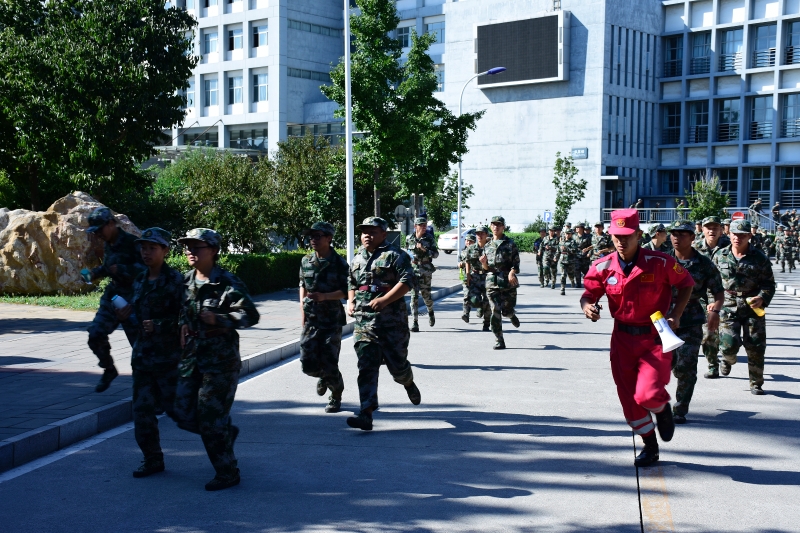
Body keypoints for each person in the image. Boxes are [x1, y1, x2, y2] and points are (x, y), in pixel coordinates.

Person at [580, 209, 694, 467]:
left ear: (639, 235)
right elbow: (588, 293)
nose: (621, 241)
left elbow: (686, 283)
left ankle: (661, 408)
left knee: (647, 394)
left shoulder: (660, 262)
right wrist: (587, 306)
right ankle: (649, 444)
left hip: (654, 337)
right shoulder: (602, 266)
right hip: (622, 339)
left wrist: (676, 314)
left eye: (627, 236)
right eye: (616, 236)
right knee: (629, 398)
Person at [173, 228, 261, 491]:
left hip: (220, 362)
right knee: (181, 412)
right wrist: (182, 324)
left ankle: (227, 472)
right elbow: (183, 311)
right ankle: (225, 432)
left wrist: (220, 319)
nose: (190, 251)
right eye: (187, 247)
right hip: (192, 358)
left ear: (212, 250)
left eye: (196, 247)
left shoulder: (227, 282)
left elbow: (250, 315)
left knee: (210, 418)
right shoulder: (186, 281)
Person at [115, 228, 184, 478]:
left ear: (165, 250)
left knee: (185, 413)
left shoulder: (176, 281)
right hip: (143, 358)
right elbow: (139, 315)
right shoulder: (140, 279)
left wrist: (160, 325)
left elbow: (187, 319)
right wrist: (125, 315)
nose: (146, 252)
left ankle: (222, 448)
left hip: (169, 360)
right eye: (143, 247)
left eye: (152, 248)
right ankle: (152, 458)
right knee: (142, 411)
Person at [346, 217, 420, 431]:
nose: (367, 235)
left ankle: (408, 382)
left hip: (392, 324)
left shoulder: (396, 255)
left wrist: (385, 300)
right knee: (366, 366)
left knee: (398, 367)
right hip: (365, 323)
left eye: (372, 232)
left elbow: (408, 281)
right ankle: (366, 413)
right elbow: (351, 282)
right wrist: (350, 301)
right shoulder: (357, 257)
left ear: (384, 234)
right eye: (364, 232)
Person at [666, 222, 724, 424]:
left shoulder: (703, 264)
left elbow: (718, 292)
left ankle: (680, 409)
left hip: (690, 320)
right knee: (663, 365)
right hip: (662, 320)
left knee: (686, 366)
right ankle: (655, 404)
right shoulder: (662, 260)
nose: (676, 237)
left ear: (692, 237)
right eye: (674, 233)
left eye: (682, 234)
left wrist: (715, 311)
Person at [84, 207, 146, 392]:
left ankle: (149, 391)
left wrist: (123, 270)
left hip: (133, 299)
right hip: (114, 296)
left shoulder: (132, 243)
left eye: (99, 230)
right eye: (95, 232)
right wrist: (94, 274)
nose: (98, 235)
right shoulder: (108, 244)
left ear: (111, 224)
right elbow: (108, 267)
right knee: (95, 334)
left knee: (141, 349)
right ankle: (109, 369)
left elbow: (148, 270)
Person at [713, 219, 775, 395]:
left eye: (742, 235)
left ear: (749, 236)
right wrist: (712, 302)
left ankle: (756, 383)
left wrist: (762, 297)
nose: (737, 238)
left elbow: (769, 284)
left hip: (752, 306)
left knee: (756, 346)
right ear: (729, 234)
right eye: (734, 234)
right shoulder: (719, 255)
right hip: (728, 304)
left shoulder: (760, 258)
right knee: (728, 345)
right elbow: (712, 283)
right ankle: (727, 359)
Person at [299, 222, 349, 414]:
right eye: (311, 236)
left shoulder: (339, 263)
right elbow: (302, 285)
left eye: (318, 236)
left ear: (329, 238)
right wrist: (302, 310)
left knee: (329, 361)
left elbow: (347, 291)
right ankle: (325, 376)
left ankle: (335, 394)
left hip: (331, 321)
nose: (313, 239)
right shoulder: (306, 260)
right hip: (311, 319)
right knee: (307, 364)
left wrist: (325, 296)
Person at [693, 216, 730, 379]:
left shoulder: (730, 246)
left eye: (715, 228)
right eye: (708, 228)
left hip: (727, 297)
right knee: (708, 333)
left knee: (729, 336)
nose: (712, 231)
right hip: (703, 298)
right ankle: (713, 364)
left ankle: (728, 357)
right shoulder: (695, 248)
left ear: (721, 230)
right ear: (703, 229)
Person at [480, 216, 521, 350]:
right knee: (495, 310)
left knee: (506, 311)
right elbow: (485, 269)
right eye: (493, 225)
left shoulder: (510, 244)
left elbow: (516, 263)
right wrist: (484, 263)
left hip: (507, 282)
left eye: (499, 225)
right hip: (492, 282)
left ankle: (511, 315)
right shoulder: (487, 245)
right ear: (490, 227)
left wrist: (511, 272)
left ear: (503, 227)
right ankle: (499, 339)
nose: (496, 227)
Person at [406, 216, 439, 332]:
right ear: (415, 226)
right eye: (421, 225)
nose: (424, 227)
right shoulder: (409, 238)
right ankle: (415, 322)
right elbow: (407, 253)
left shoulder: (429, 238)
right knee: (414, 297)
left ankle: (430, 312)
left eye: (425, 225)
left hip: (425, 270)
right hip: (413, 269)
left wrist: (425, 250)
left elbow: (436, 254)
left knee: (426, 296)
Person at [463, 226, 491, 332]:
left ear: (486, 235)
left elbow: (491, 266)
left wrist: (484, 263)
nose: (479, 236)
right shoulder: (471, 248)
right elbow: (467, 261)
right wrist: (467, 274)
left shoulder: (490, 248)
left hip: (487, 276)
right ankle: (479, 307)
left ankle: (486, 324)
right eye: (478, 234)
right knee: (474, 300)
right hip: (475, 276)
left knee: (488, 301)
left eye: (482, 233)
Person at [459, 233, 478, 321]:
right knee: (466, 295)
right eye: (467, 241)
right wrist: (460, 264)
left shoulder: (477, 251)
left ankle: (480, 308)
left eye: (470, 241)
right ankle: (466, 314)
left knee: (477, 296)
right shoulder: (463, 252)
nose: (468, 242)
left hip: (476, 276)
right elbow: (461, 261)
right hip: (466, 276)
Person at [558, 227, 579, 295]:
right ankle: (562, 288)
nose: (567, 235)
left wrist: (566, 249)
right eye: (566, 233)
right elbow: (558, 250)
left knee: (571, 274)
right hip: (562, 261)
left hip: (570, 261)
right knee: (563, 275)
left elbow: (575, 251)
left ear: (571, 234)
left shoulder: (573, 242)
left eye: (569, 234)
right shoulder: (562, 242)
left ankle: (572, 280)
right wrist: (555, 257)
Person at [574, 223, 593, 287]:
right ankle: (578, 283)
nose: (576, 228)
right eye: (576, 227)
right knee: (577, 270)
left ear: (582, 229)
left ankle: (587, 283)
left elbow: (592, 246)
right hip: (576, 256)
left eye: (578, 227)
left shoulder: (588, 237)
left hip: (585, 256)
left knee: (586, 271)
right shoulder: (574, 236)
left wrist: (589, 252)